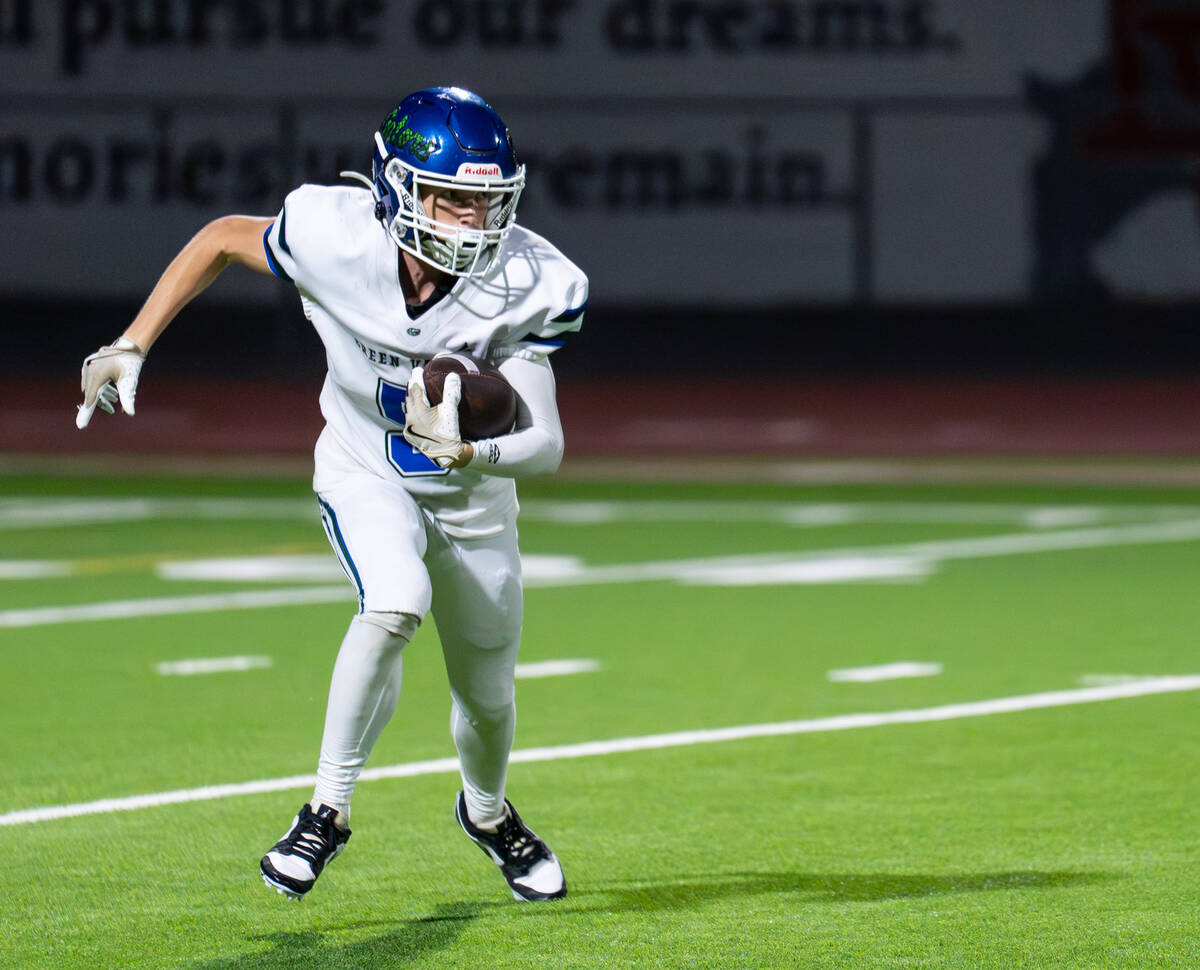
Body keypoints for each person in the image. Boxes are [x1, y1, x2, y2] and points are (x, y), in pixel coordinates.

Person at [75, 86, 588, 903]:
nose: (474, 223)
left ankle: (488, 816)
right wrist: (131, 342)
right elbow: (218, 240)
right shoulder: (333, 234)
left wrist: (471, 448)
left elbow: (546, 445)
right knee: (393, 599)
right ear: (396, 189)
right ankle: (326, 811)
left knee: (487, 697)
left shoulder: (531, 280)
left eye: (488, 203)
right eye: (454, 199)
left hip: (471, 498)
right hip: (365, 466)